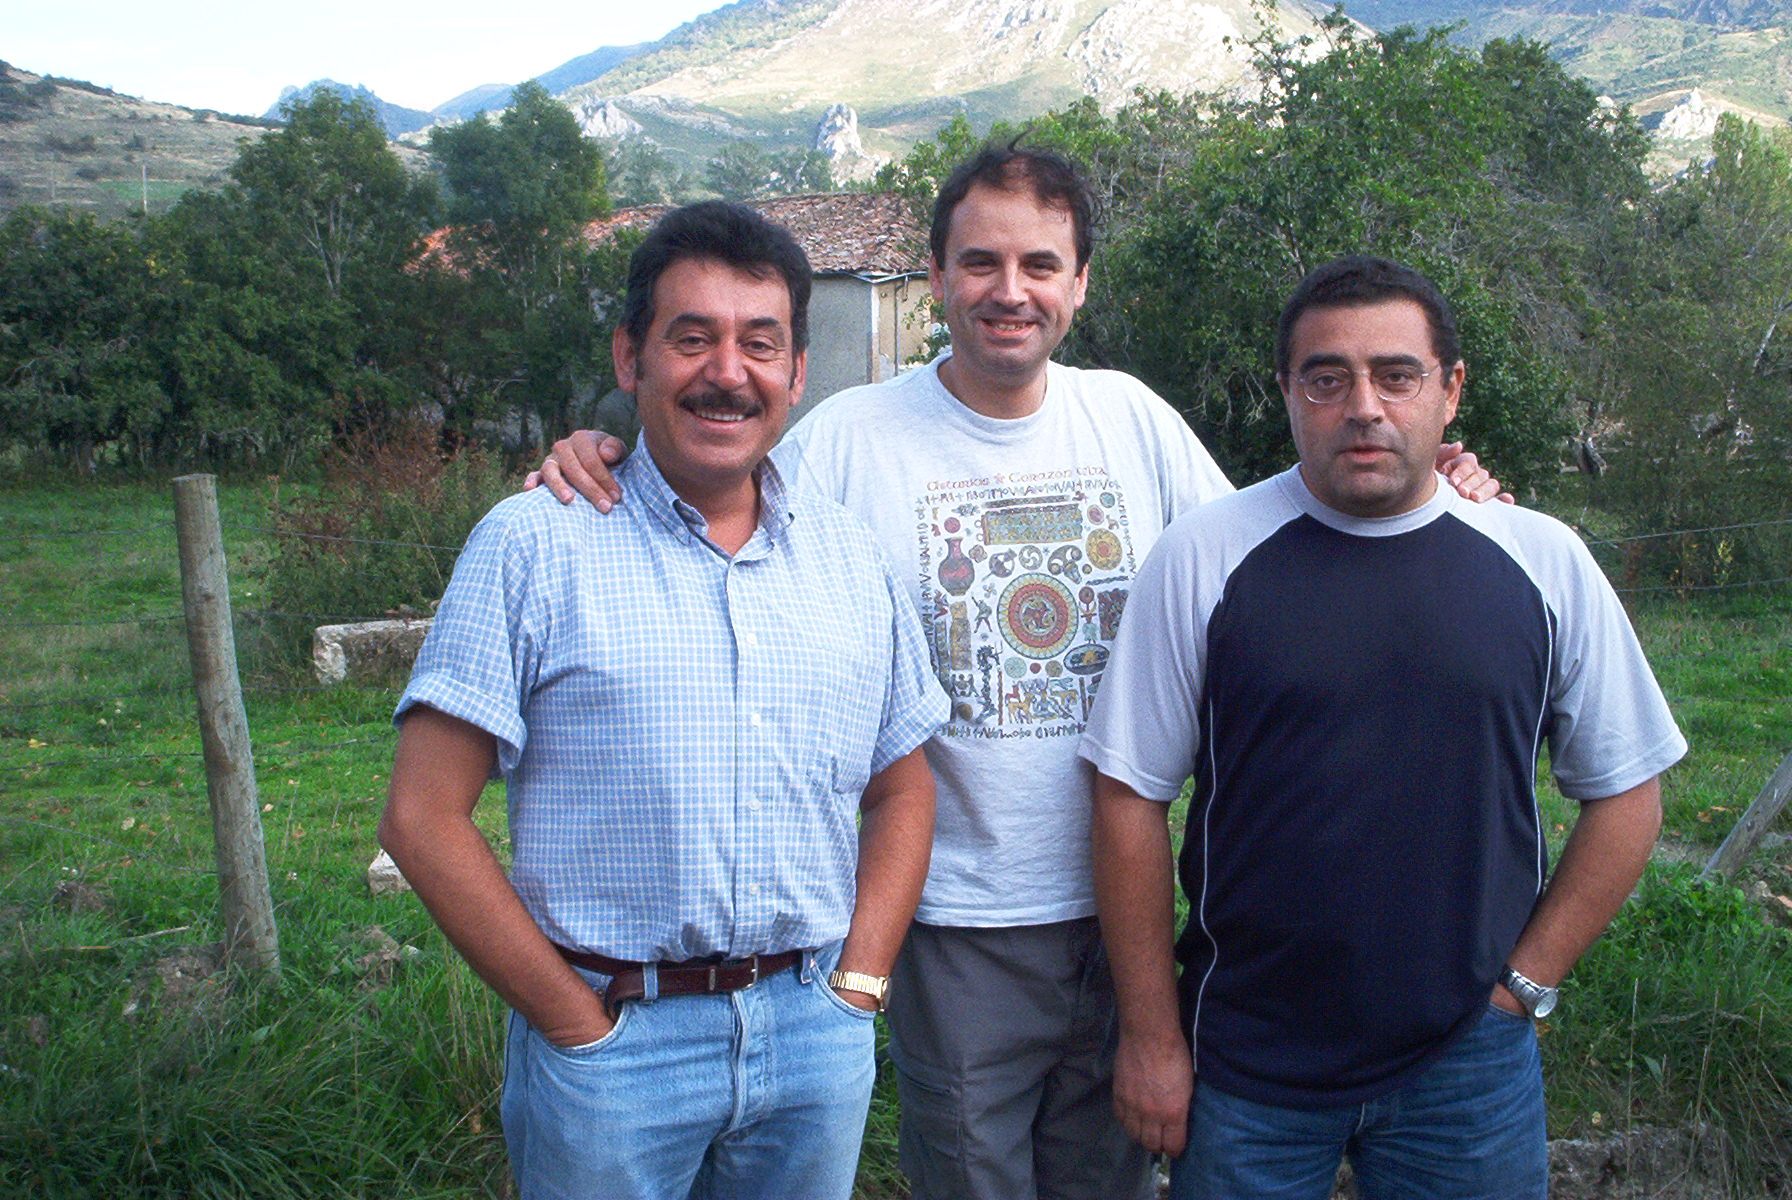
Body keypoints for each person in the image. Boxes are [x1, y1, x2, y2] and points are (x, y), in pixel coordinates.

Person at [530, 149, 1505, 1200]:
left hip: (1128, 917)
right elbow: (718, 506)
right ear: (935, 277)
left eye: (1040, 264)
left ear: (1079, 283)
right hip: (957, 923)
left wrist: (1428, 484)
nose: (1010, 290)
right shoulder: (851, 441)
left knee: (1108, 1181)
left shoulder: (1130, 418)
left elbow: (1267, 550)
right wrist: (605, 454)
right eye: (980, 262)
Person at [1081, 255, 1687, 1199]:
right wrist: (1153, 1038)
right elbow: (1128, 797)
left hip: (1468, 1063)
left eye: (1396, 375)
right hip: (1245, 1059)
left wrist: (1524, 988)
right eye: (1327, 378)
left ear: (1451, 390)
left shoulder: (1542, 560)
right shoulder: (1203, 556)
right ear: (1288, 390)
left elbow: (1629, 791)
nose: (1363, 406)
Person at [379, 201, 949, 1200]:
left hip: (811, 1035)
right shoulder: (533, 545)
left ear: (796, 372)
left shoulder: (851, 558)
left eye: (759, 343)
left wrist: (857, 985)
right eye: (692, 338)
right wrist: (573, 1024)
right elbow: (423, 818)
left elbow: (903, 789)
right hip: (611, 1048)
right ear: (629, 356)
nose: (727, 372)